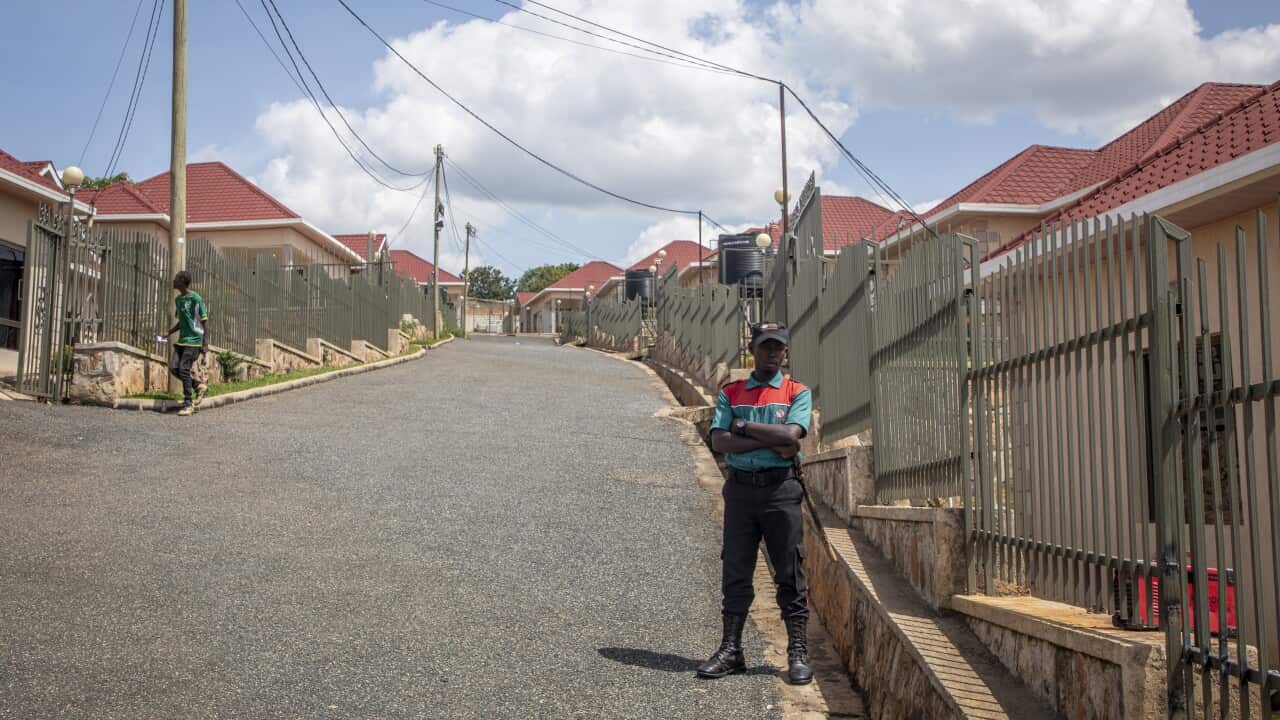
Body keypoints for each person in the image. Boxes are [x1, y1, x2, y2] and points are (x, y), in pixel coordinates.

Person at [698, 321, 813, 685]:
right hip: (742, 491)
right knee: (735, 570)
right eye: (766, 347)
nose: (773, 353)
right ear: (753, 349)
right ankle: (731, 650)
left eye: (779, 347)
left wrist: (744, 428)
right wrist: (771, 441)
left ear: (786, 351)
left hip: (781, 492)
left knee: (789, 572)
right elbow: (719, 441)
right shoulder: (731, 392)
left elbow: (792, 437)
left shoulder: (797, 392)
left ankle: (797, 652)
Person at [165, 271, 209, 416]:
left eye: (176, 278)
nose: (173, 280)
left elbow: (205, 322)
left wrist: (205, 344)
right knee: (173, 368)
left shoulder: (196, 299)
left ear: (182, 282)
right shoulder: (178, 300)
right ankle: (198, 386)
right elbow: (183, 321)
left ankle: (188, 403)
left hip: (195, 341)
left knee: (183, 369)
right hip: (182, 340)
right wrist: (170, 332)